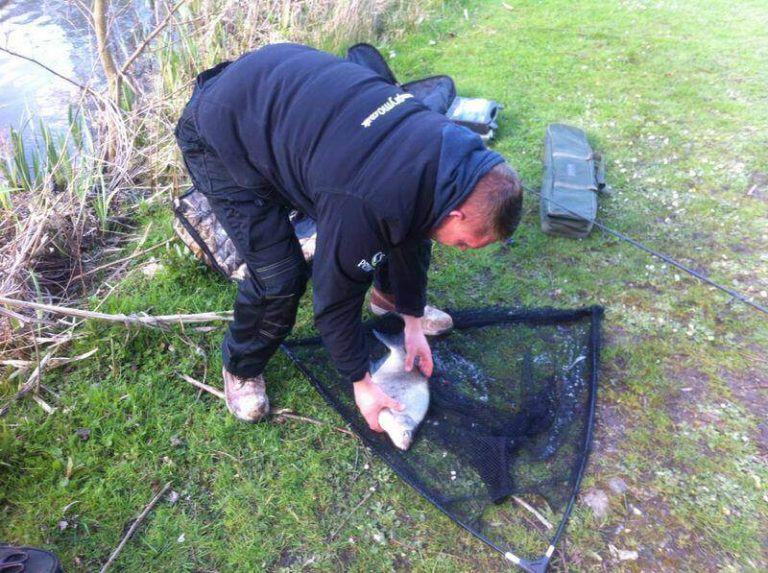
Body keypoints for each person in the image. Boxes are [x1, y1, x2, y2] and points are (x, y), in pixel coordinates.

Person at [175, 43, 523, 433]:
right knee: (280, 277)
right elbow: (334, 297)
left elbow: (417, 224)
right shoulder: (366, 201)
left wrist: (410, 317)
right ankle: (241, 366)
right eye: (463, 243)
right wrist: (361, 381)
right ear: (457, 213)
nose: (457, 248)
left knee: (408, 220)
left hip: (282, 99)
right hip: (220, 131)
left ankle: (389, 302)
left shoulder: (450, 150)